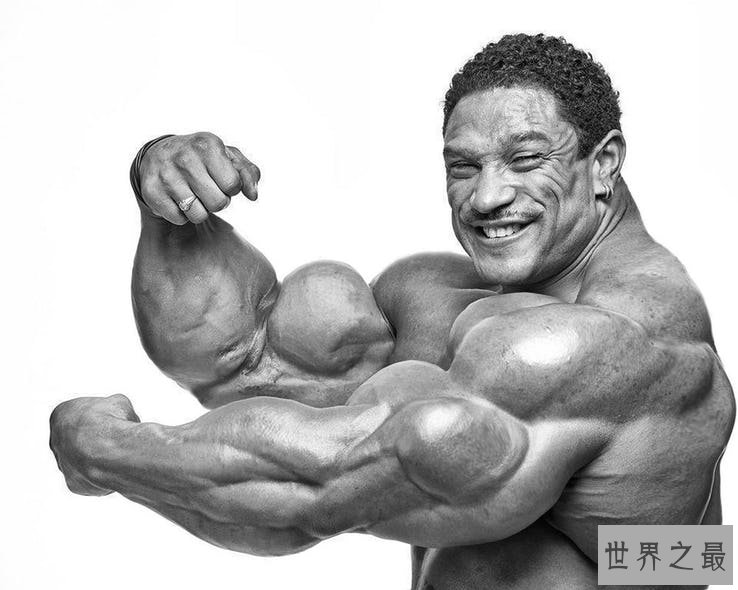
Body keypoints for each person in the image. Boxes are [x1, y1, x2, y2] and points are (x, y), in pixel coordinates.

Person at [49, 33, 734, 589]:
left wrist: (106, 450)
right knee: (330, 320)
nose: (486, 197)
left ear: (604, 162)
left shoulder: (619, 335)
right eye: (463, 167)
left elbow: (318, 490)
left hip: (651, 545)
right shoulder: (443, 302)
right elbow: (238, 361)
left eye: (526, 159)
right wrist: (169, 199)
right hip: (654, 549)